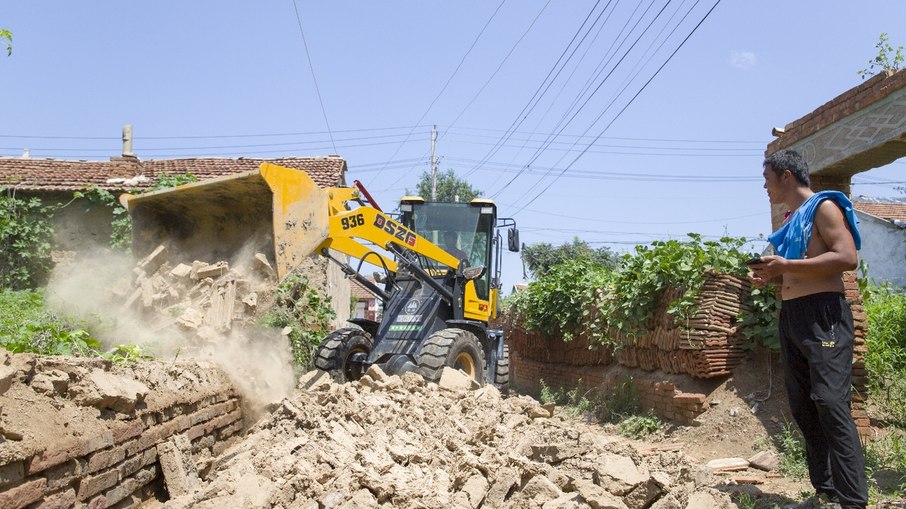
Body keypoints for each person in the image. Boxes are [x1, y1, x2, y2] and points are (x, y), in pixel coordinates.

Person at [748, 149, 867, 509]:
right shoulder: (792, 220)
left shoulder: (823, 208)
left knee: (831, 403)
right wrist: (772, 275)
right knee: (803, 406)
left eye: (767, 178)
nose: (764, 186)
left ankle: (853, 501)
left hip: (823, 314)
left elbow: (847, 258)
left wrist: (788, 264)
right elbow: (795, 270)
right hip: (793, 315)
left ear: (786, 175)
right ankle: (826, 492)